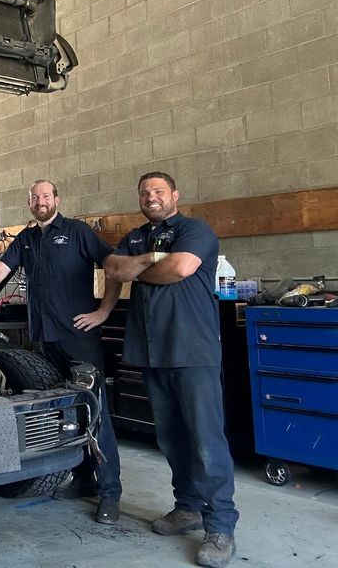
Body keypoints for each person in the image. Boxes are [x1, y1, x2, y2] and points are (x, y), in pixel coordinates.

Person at [0, 179, 124, 525]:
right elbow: (2, 268)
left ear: (56, 200)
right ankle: (83, 478)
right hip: (44, 341)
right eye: (35, 197)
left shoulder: (78, 232)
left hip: (77, 338)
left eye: (45, 196)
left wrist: (103, 312)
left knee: (96, 413)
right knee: (66, 413)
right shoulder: (27, 238)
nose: (40, 201)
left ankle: (110, 491)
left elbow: (115, 266)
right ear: (29, 203)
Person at [103, 172, 237, 568]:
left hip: (192, 350)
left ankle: (221, 525)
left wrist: (138, 268)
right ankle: (189, 507)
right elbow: (113, 268)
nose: (151, 197)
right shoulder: (134, 237)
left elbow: (180, 268)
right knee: (171, 437)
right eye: (145, 192)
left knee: (206, 440)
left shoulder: (195, 229)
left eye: (159, 191)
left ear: (175, 195)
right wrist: (147, 261)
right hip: (151, 351)